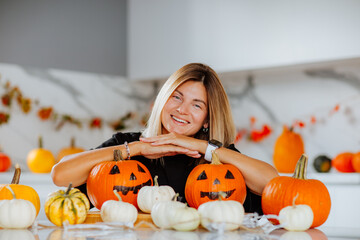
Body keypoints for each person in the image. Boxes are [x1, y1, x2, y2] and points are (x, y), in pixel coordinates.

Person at [51, 63, 278, 214]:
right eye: (176, 97)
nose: (181, 109)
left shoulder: (219, 158)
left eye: (196, 105)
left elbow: (273, 185)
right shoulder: (127, 145)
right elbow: (60, 175)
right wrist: (139, 149)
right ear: (163, 100)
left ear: (207, 120)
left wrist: (200, 146)